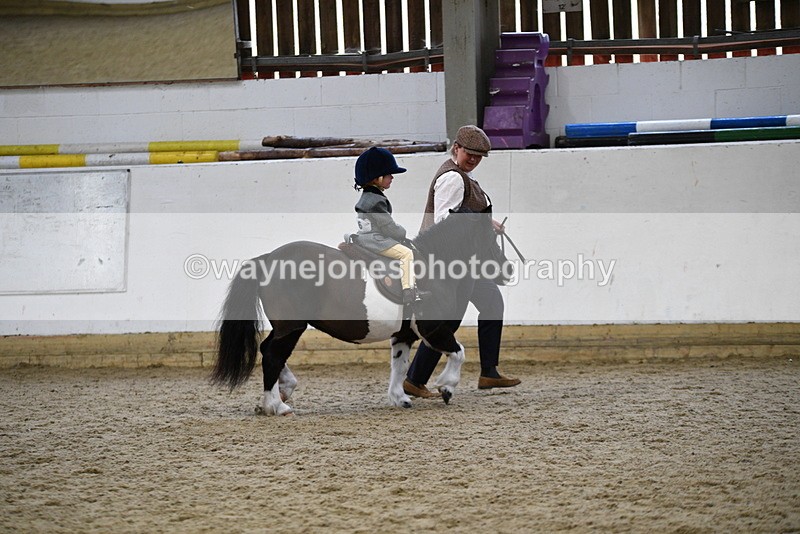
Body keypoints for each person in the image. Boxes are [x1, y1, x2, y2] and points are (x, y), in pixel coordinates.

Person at [403, 125, 521, 397]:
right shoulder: (453, 179)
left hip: (463, 261)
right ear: (456, 148)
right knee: (447, 321)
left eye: (479, 157)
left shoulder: (461, 176)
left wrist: (485, 222)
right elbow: (446, 221)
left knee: (490, 304)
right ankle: (415, 379)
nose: (474, 160)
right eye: (470, 154)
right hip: (448, 262)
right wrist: (479, 222)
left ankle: (488, 372)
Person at [352, 146, 428, 308]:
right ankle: (409, 291)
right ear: (377, 178)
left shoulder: (368, 197)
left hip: (363, 237)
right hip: (375, 240)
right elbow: (388, 227)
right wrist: (402, 232)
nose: (392, 177)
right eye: (388, 174)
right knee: (407, 254)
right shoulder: (376, 200)